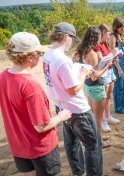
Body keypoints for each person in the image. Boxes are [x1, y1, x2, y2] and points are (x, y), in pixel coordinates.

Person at [0, 32, 71, 176]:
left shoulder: (3, 76)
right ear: (30, 57)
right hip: (40, 148)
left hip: (18, 145)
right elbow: (41, 126)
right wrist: (61, 117)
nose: (41, 56)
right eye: (39, 53)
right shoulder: (31, 86)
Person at [43, 22, 103, 176]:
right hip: (78, 110)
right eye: (72, 38)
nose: (73, 43)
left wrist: (74, 69)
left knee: (72, 144)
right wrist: (83, 73)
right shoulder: (62, 60)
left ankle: (79, 172)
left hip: (61, 107)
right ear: (66, 36)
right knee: (93, 146)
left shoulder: (48, 54)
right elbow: (73, 90)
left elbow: (58, 80)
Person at [75, 26, 114, 148]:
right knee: (98, 118)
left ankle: (99, 136)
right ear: (94, 38)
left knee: (93, 116)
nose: (99, 40)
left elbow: (74, 65)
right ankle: (99, 142)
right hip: (96, 87)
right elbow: (95, 76)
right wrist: (106, 66)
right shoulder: (92, 54)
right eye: (98, 38)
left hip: (87, 87)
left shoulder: (80, 51)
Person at [94, 24, 120, 132]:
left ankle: (108, 116)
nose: (109, 36)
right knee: (103, 98)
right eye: (107, 33)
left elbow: (109, 55)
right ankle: (103, 120)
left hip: (109, 71)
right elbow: (101, 60)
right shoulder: (97, 45)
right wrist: (112, 55)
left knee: (109, 95)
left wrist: (114, 55)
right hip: (104, 73)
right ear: (102, 33)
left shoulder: (104, 44)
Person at [110, 17, 124, 114]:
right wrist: (118, 69)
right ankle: (118, 108)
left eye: (123, 28)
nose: (123, 30)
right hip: (118, 65)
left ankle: (123, 104)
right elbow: (113, 55)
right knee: (119, 87)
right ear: (116, 27)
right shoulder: (112, 38)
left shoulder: (120, 36)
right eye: (121, 28)